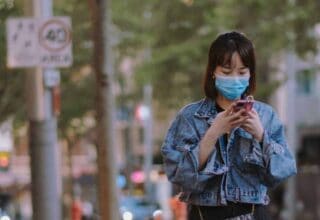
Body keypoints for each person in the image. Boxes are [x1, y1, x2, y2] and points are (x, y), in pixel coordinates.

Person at [161, 31, 297, 220]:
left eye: (242, 72)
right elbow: (178, 175)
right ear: (213, 72)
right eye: (226, 72)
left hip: (253, 214)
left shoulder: (265, 115)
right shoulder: (190, 117)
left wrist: (260, 135)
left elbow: (283, 171)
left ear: (250, 74)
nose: (234, 78)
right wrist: (213, 133)